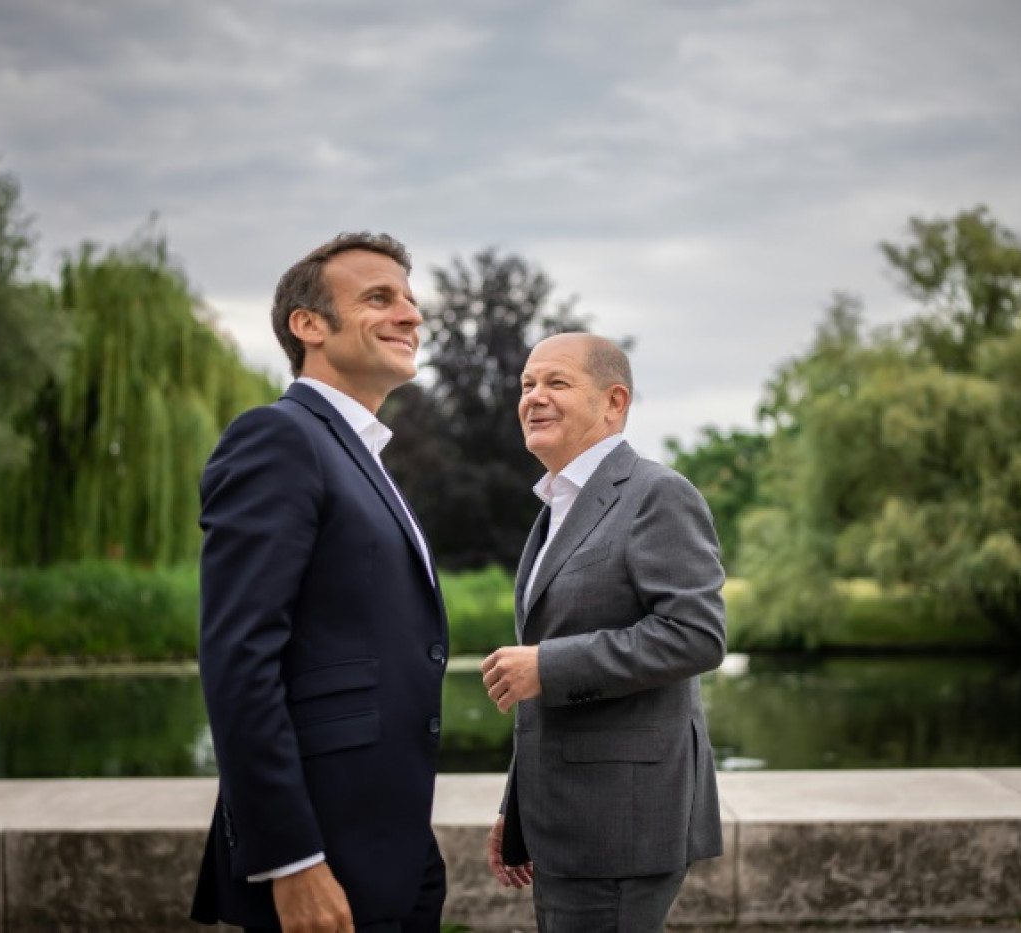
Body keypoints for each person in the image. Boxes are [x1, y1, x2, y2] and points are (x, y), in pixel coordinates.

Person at [191, 233, 449, 932]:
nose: (410, 315)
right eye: (379, 297)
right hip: (321, 855)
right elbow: (239, 659)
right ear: (309, 326)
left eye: (411, 300)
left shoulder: (358, 454)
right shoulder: (278, 438)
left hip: (389, 845)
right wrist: (292, 859)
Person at [480, 332, 727, 932]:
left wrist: (548, 665)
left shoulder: (656, 494)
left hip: (622, 824)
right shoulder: (558, 506)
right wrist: (519, 811)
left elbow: (696, 634)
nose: (534, 397)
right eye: (527, 385)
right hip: (564, 819)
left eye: (556, 383)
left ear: (615, 402)